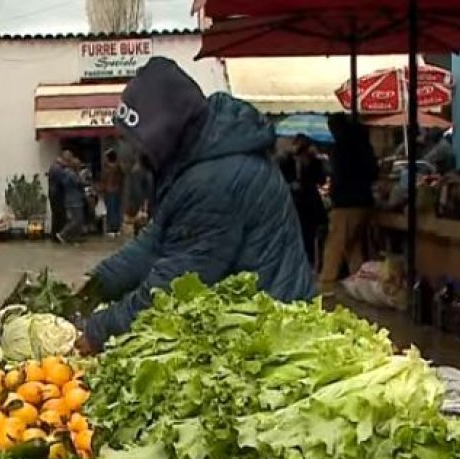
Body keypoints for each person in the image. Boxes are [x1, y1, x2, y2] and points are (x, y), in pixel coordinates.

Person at [74, 57, 314, 354]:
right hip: (249, 313)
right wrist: (97, 283)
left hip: (271, 327)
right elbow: (155, 241)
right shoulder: (194, 157)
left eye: (136, 143)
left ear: (162, 134)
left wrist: (99, 330)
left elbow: (177, 281)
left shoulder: (213, 179)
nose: (133, 156)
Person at [318, 113, 379, 296]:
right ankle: (359, 285)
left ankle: (326, 285)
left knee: (335, 245)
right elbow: (373, 172)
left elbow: (339, 175)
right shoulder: (364, 144)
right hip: (364, 202)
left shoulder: (341, 148)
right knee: (353, 246)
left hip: (346, 203)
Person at [279, 134, 327, 268]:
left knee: (310, 234)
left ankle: (310, 260)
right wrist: (291, 184)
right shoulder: (285, 161)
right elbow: (280, 179)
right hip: (293, 202)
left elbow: (321, 180)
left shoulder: (314, 161)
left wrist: (309, 165)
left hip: (310, 203)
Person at [56, 156, 87, 244]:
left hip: (70, 199)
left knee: (76, 220)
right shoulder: (72, 174)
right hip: (75, 200)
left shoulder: (66, 173)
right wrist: (82, 177)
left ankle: (73, 237)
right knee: (77, 220)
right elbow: (79, 183)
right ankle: (63, 234)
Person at [47, 150, 73, 238]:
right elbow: (63, 182)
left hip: (54, 194)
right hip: (57, 195)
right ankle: (58, 235)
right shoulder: (57, 168)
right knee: (59, 216)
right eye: (68, 159)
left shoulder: (55, 166)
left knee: (57, 216)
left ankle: (56, 235)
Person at [100, 148, 125, 236]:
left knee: (111, 210)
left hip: (110, 191)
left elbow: (104, 180)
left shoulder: (109, 168)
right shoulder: (119, 167)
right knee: (116, 210)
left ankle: (112, 229)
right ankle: (117, 228)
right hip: (117, 190)